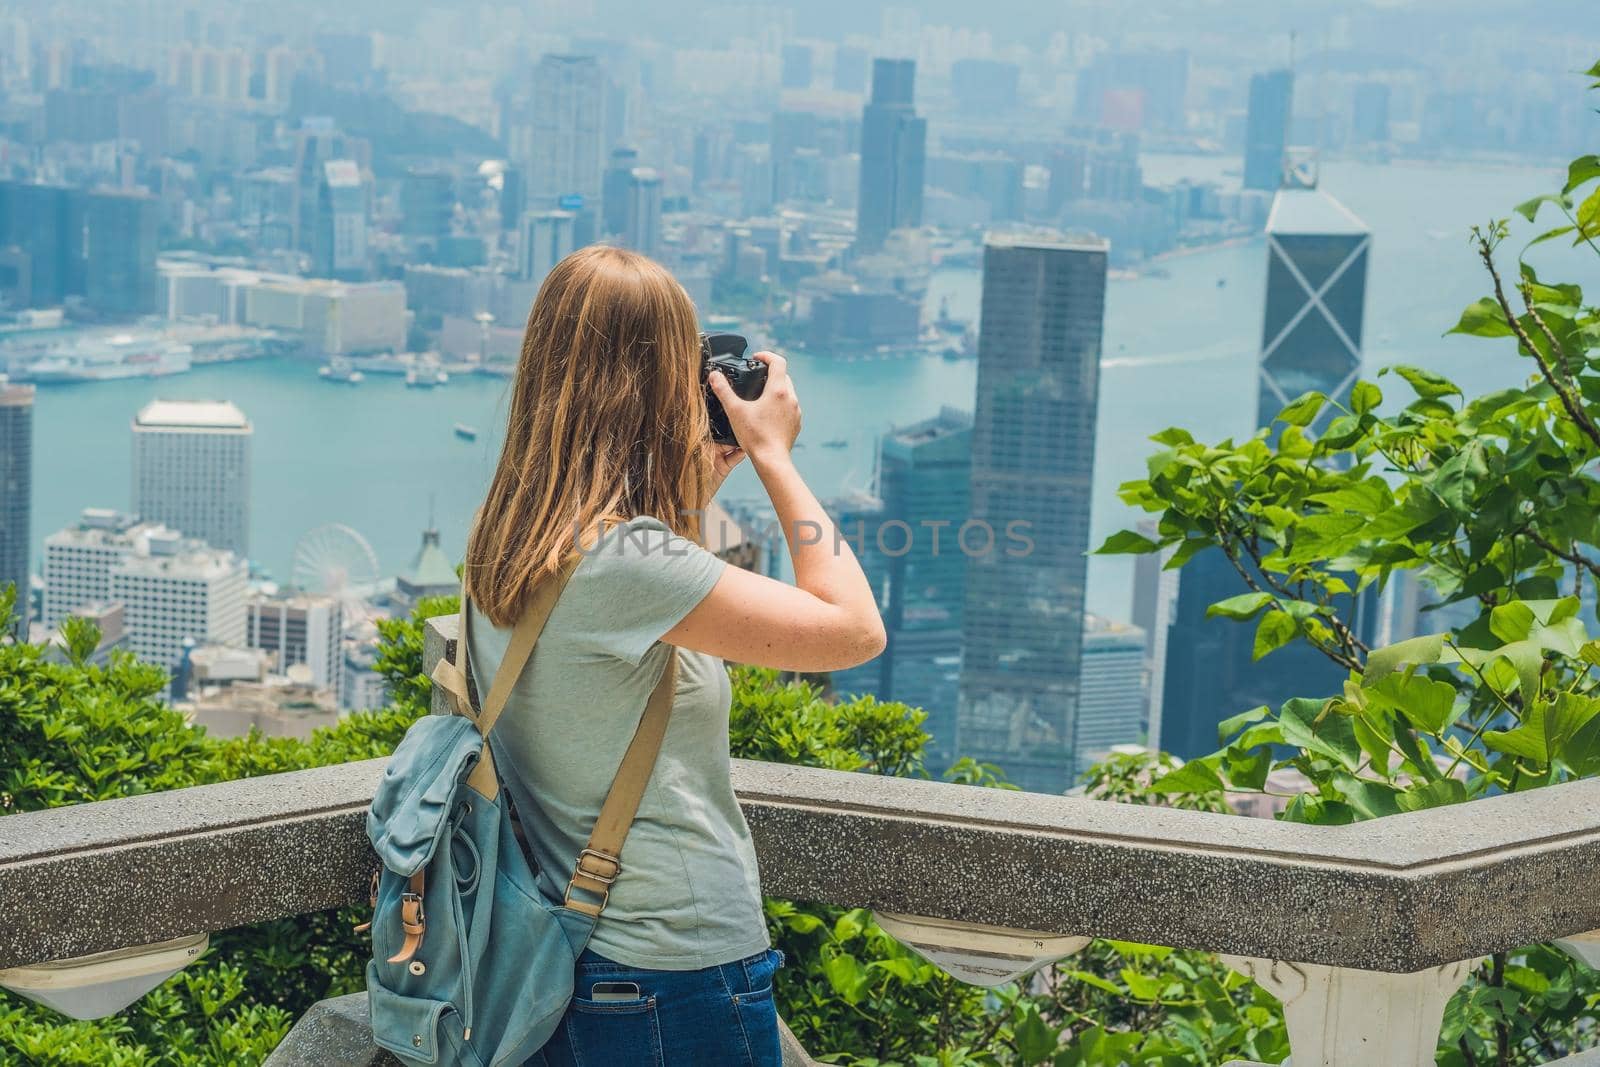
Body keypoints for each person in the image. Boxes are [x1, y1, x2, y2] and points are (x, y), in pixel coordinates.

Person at [462, 245, 885, 1066]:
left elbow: (629, 638)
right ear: (652, 380)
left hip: (572, 960)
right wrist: (774, 457)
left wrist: (690, 489)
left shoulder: (510, 534)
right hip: (674, 971)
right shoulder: (626, 562)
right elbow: (854, 630)